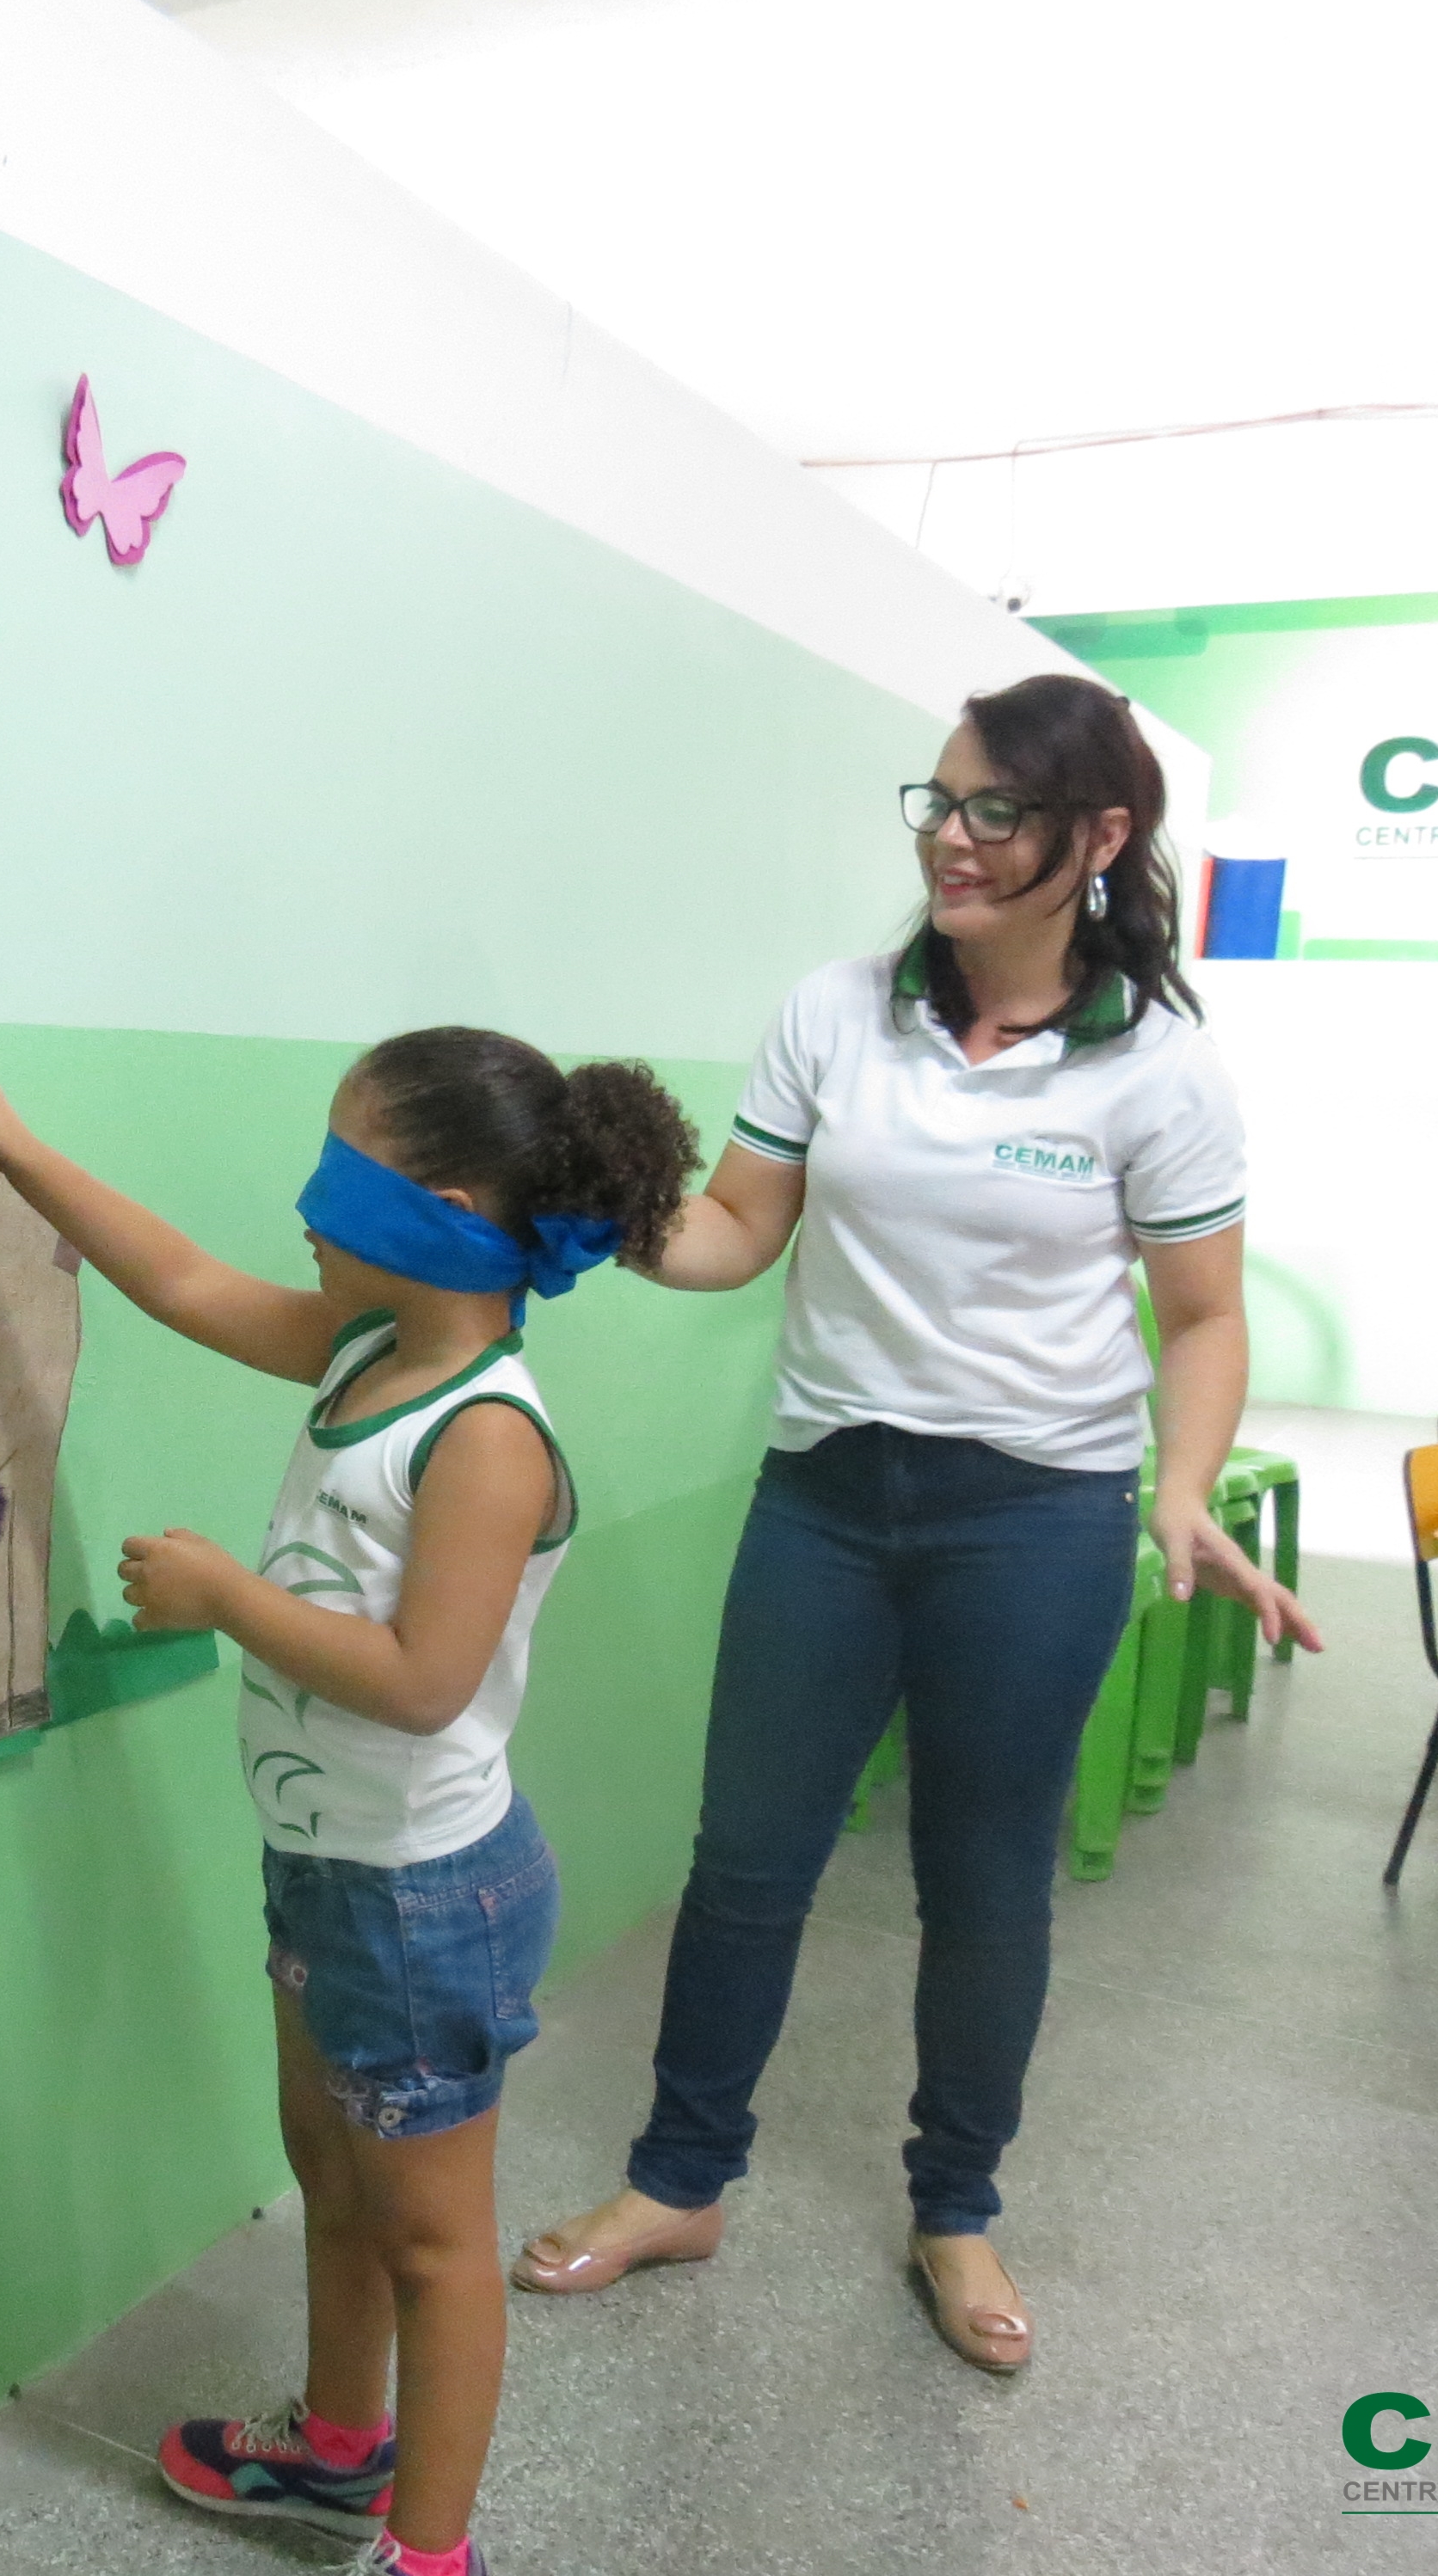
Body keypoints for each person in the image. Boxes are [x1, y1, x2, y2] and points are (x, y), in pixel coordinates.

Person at [509, 673, 1324, 2372]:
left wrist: (1174, 1488)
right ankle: (679, 2180)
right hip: (826, 1498)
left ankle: (953, 2208)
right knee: (744, 1862)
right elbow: (739, 1229)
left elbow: (1202, 1318)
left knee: (983, 1879)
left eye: (993, 813)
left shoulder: (1160, 1071)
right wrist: (607, 1219)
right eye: (937, 804)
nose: (949, 841)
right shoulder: (835, 1013)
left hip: (1029, 1517)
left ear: (1097, 836)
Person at [0, 1031, 697, 2576]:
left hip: (424, 1897)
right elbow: (193, 1286)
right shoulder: (364, 1349)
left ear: (448, 1206)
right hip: (331, 1870)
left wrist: (223, 1597)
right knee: (331, 2176)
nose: (306, 1203)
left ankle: (432, 2555)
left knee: (432, 2241)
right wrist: (16, 1149)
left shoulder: (484, 1434)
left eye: (340, 1171)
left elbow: (420, 1678)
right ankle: (339, 2457)